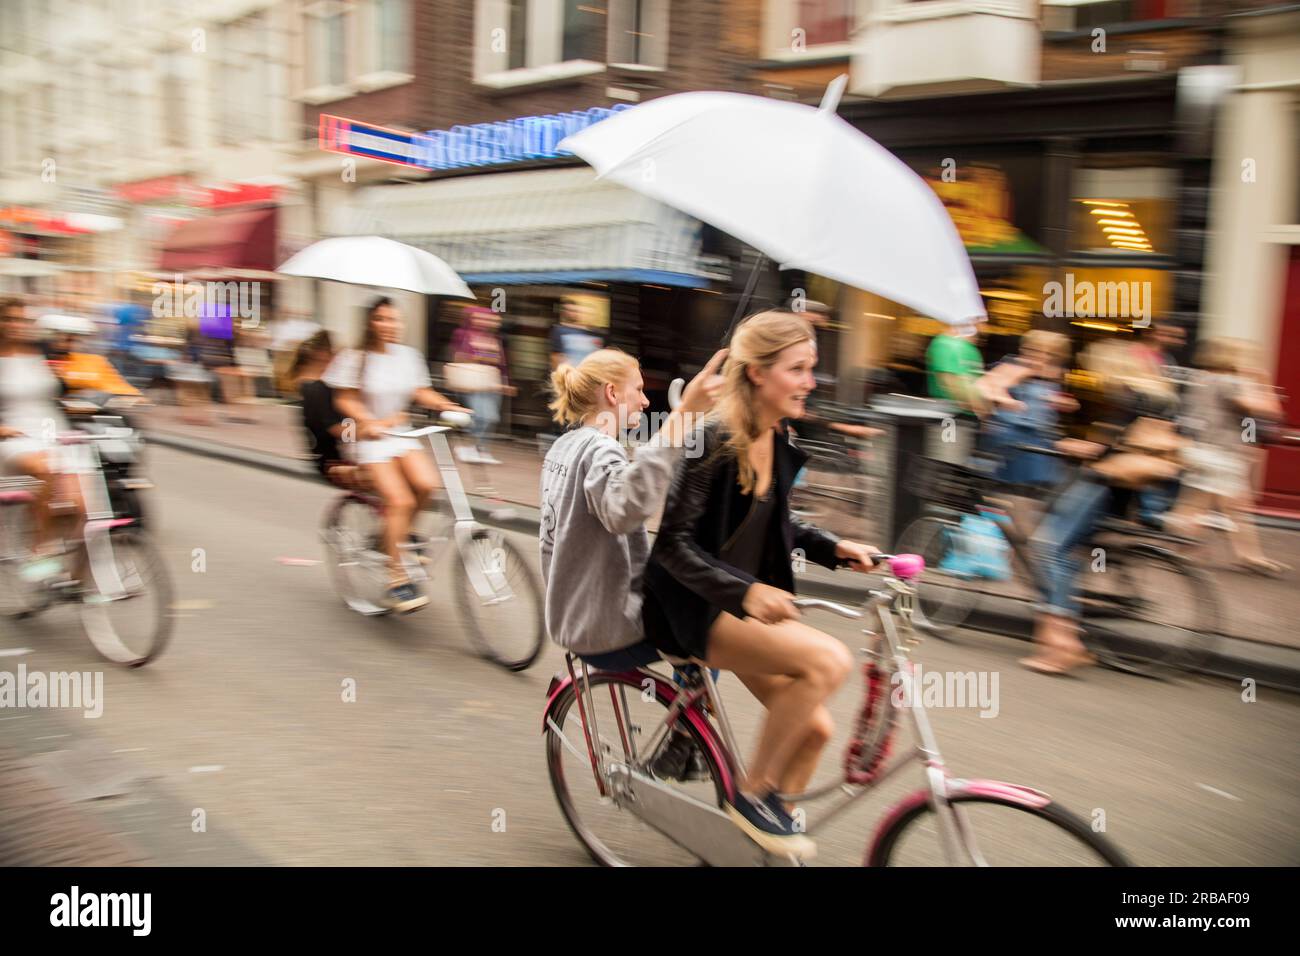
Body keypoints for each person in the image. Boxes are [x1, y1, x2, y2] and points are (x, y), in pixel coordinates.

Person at [641, 311, 882, 858]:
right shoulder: (711, 442)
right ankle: (751, 797)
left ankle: (757, 847)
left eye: (811, 368)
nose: (810, 381)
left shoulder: (776, 435)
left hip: (733, 605)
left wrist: (834, 548)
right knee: (827, 661)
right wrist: (747, 593)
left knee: (813, 729)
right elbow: (671, 546)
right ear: (758, 374)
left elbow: (776, 522)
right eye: (798, 369)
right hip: (691, 610)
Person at [1022, 339, 1183, 675]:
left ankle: (1063, 646)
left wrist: (1079, 448)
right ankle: (1063, 639)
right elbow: (1125, 444)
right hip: (1125, 492)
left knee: (1048, 548)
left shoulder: (1129, 395)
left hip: (1101, 484)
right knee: (1067, 554)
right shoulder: (1158, 395)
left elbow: (1116, 449)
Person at [324, 297, 470, 613]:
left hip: (401, 434)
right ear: (371, 323)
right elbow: (345, 400)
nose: (389, 326)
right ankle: (396, 578)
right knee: (399, 500)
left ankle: (391, 537)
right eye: (382, 319)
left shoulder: (408, 356)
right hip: (372, 438)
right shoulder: (356, 357)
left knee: (427, 485)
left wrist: (447, 405)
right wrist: (368, 422)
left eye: (394, 319)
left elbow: (420, 391)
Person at [1165, 337, 1289, 576]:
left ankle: (1244, 555)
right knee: (1205, 508)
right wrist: (1263, 380)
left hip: (1200, 451)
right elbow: (1269, 410)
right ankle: (1183, 549)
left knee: (1211, 506)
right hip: (1220, 455)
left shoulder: (1199, 380)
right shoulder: (1228, 383)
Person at [0, 298, 84, 583]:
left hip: (53, 432)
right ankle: (39, 549)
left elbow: (62, 386)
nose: (17, 325)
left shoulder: (41, 352)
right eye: (10, 319)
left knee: (84, 507)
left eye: (22, 320)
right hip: (14, 438)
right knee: (47, 468)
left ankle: (77, 583)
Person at [976, 329, 1077, 488]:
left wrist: (1061, 402)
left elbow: (1042, 404)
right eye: (1036, 350)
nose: (1043, 356)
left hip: (1038, 440)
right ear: (1025, 349)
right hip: (1012, 437)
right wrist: (1004, 399)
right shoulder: (1015, 366)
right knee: (1018, 490)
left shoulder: (1053, 374)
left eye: (1050, 354)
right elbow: (985, 386)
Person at [448, 306, 515, 465]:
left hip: (492, 383)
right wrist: (478, 358)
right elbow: (458, 356)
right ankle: (471, 446)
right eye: (478, 317)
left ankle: (481, 449)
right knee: (482, 416)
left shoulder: (494, 337)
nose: (483, 321)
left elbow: (502, 364)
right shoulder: (462, 334)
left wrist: (506, 383)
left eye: (486, 318)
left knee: (492, 417)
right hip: (473, 383)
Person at [291, 331, 350, 484]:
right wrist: (364, 432)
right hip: (334, 461)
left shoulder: (309, 386)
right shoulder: (317, 389)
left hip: (327, 457)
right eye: (334, 353)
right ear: (323, 355)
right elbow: (336, 429)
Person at [926, 320, 987, 416]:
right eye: (979, 320)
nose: (983, 326)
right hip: (950, 415)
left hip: (969, 415)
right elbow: (949, 381)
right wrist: (980, 408)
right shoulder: (945, 344)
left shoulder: (970, 348)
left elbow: (976, 381)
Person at [549, 296, 603, 369]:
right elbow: (556, 357)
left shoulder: (597, 334)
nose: (571, 313)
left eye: (574, 311)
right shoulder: (560, 330)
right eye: (568, 310)